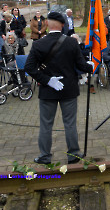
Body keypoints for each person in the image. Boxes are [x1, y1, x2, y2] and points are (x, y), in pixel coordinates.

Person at [24, 12, 93, 165]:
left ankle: (45, 156)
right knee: (70, 123)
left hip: (48, 91)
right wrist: (91, 66)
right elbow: (81, 65)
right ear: (63, 25)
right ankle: (73, 154)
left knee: (46, 124)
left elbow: (29, 68)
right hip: (68, 89)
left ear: (47, 24)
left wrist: (47, 80)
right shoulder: (71, 42)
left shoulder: (38, 44)